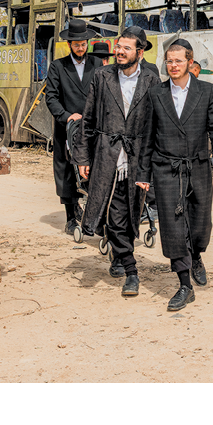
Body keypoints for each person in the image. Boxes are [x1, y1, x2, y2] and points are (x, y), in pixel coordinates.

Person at [134, 38, 213, 312]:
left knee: (200, 224)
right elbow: (147, 137)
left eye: (178, 61)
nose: (173, 66)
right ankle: (184, 285)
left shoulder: (206, 91)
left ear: (191, 63)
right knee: (173, 228)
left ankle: (197, 255)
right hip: (166, 170)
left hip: (198, 167)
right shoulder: (156, 94)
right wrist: (143, 173)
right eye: (169, 61)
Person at [73, 32, 160, 296]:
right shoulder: (102, 77)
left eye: (126, 48)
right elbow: (88, 119)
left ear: (140, 53)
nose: (119, 51)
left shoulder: (151, 79)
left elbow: (156, 124)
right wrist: (83, 158)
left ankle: (118, 253)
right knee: (114, 210)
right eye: (118, 46)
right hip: (107, 155)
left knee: (131, 211)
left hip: (136, 157)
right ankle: (131, 271)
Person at [43, 28, 103, 234]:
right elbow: (50, 97)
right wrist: (67, 115)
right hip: (67, 127)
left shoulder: (96, 64)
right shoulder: (58, 66)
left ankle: (96, 217)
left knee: (95, 170)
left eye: (84, 43)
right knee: (67, 171)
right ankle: (70, 218)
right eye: (76, 44)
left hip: (93, 127)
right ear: (69, 45)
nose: (80, 47)